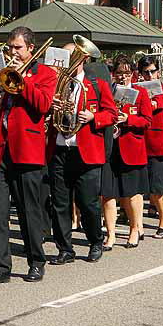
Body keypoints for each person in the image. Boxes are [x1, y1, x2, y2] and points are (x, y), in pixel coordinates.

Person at [0, 27, 56, 285]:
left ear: (30, 49)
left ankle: (36, 261)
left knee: (28, 210)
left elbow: (43, 105)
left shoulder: (44, 73)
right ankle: (1, 267)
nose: (12, 52)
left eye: (18, 48)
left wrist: (21, 80)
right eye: (10, 47)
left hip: (27, 150)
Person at [46, 39, 117, 267]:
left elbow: (112, 114)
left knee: (88, 203)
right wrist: (51, 107)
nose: (66, 62)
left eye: (71, 56)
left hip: (86, 151)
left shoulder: (97, 85)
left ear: (83, 59)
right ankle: (65, 248)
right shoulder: (56, 83)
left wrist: (94, 117)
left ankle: (95, 241)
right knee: (60, 203)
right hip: (60, 148)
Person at [101, 56, 151, 249]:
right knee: (108, 194)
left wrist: (128, 119)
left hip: (132, 148)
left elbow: (147, 120)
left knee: (132, 194)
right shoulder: (108, 90)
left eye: (127, 73)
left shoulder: (141, 92)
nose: (123, 77)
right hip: (110, 148)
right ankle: (111, 235)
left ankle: (134, 229)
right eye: (120, 73)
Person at [137, 57, 163, 238]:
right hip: (139, 142)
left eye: (152, 71)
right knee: (138, 187)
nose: (149, 75)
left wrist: (145, 101)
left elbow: (157, 105)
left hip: (157, 143)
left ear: (158, 72)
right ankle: (137, 224)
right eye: (146, 72)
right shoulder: (136, 89)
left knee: (157, 188)